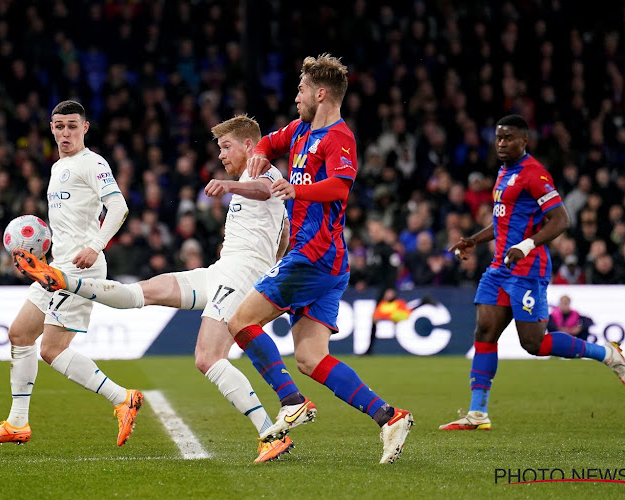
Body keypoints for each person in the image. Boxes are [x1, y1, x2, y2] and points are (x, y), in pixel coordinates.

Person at [13, 115, 294, 463]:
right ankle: (66, 282)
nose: (221, 155)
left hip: (239, 275)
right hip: (222, 272)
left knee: (208, 358)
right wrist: (275, 263)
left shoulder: (259, 168)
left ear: (249, 145)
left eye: (226, 147)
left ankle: (270, 432)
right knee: (145, 293)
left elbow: (266, 189)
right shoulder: (250, 177)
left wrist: (229, 186)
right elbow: (284, 233)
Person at [230, 54, 413, 464]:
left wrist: (299, 192)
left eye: (300, 90)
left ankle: (291, 401)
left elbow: (339, 187)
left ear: (321, 93)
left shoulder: (338, 138)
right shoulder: (298, 131)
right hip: (327, 262)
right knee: (312, 359)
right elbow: (268, 141)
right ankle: (389, 416)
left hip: (313, 256)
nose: (295, 97)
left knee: (240, 322)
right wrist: (259, 152)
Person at [441, 115, 625, 431]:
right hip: (500, 267)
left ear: (524, 141)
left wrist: (526, 245)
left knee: (534, 344)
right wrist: (473, 239)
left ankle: (606, 353)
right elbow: (502, 222)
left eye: (508, 138)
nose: (501, 143)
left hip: (527, 270)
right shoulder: (503, 172)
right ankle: (478, 413)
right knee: (485, 332)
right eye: (498, 138)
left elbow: (560, 220)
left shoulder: (534, 174)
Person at [0, 100, 141, 446]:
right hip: (56, 266)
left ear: (85, 127)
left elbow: (119, 206)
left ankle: (123, 399)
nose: (65, 132)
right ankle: (17, 423)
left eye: (71, 126)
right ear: (51, 128)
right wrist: (39, 259)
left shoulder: (92, 163)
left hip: (82, 268)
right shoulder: (58, 167)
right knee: (20, 334)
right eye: (59, 126)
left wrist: (95, 244)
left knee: (51, 349)